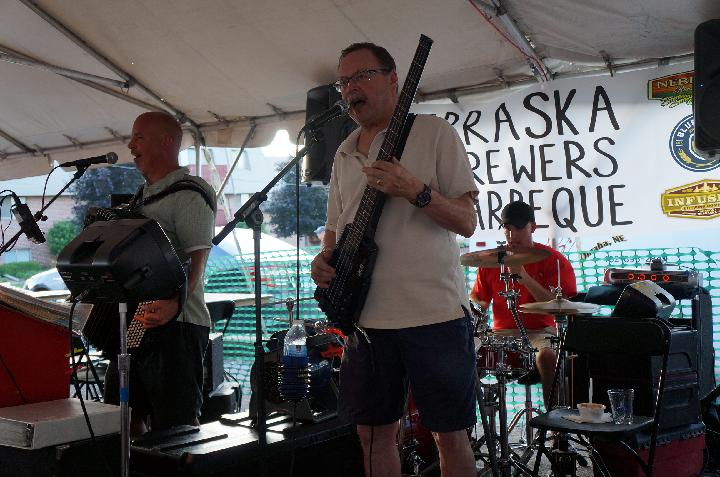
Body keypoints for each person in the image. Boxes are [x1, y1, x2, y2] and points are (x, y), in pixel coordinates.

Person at [311, 42, 479, 477]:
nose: (351, 89)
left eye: (361, 76)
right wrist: (323, 260)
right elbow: (334, 228)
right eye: (343, 82)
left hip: (434, 315)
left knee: (449, 435)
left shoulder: (434, 132)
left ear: (392, 80)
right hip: (366, 321)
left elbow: (467, 221)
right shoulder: (343, 153)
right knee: (371, 435)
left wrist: (415, 191)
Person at [104, 111, 217, 435]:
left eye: (139, 137)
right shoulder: (140, 198)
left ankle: (181, 462)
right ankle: (137, 462)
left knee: (176, 424)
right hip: (138, 322)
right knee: (122, 415)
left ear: (166, 142)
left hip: (178, 324)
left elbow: (198, 260)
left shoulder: (189, 193)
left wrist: (174, 304)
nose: (130, 145)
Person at [470, 200, 577, 408]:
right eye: (507, 228)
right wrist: (473, 310)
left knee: (548, 356)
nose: (512, 235)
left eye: (519, 228)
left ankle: (554, 422)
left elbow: (562, 306)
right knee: (462, 354)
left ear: (532, 227)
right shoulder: (491, 261)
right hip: (500, 333)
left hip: (541, 332)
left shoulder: (554, 260)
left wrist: (524, 278)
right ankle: (471, 424)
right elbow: (479, 300)